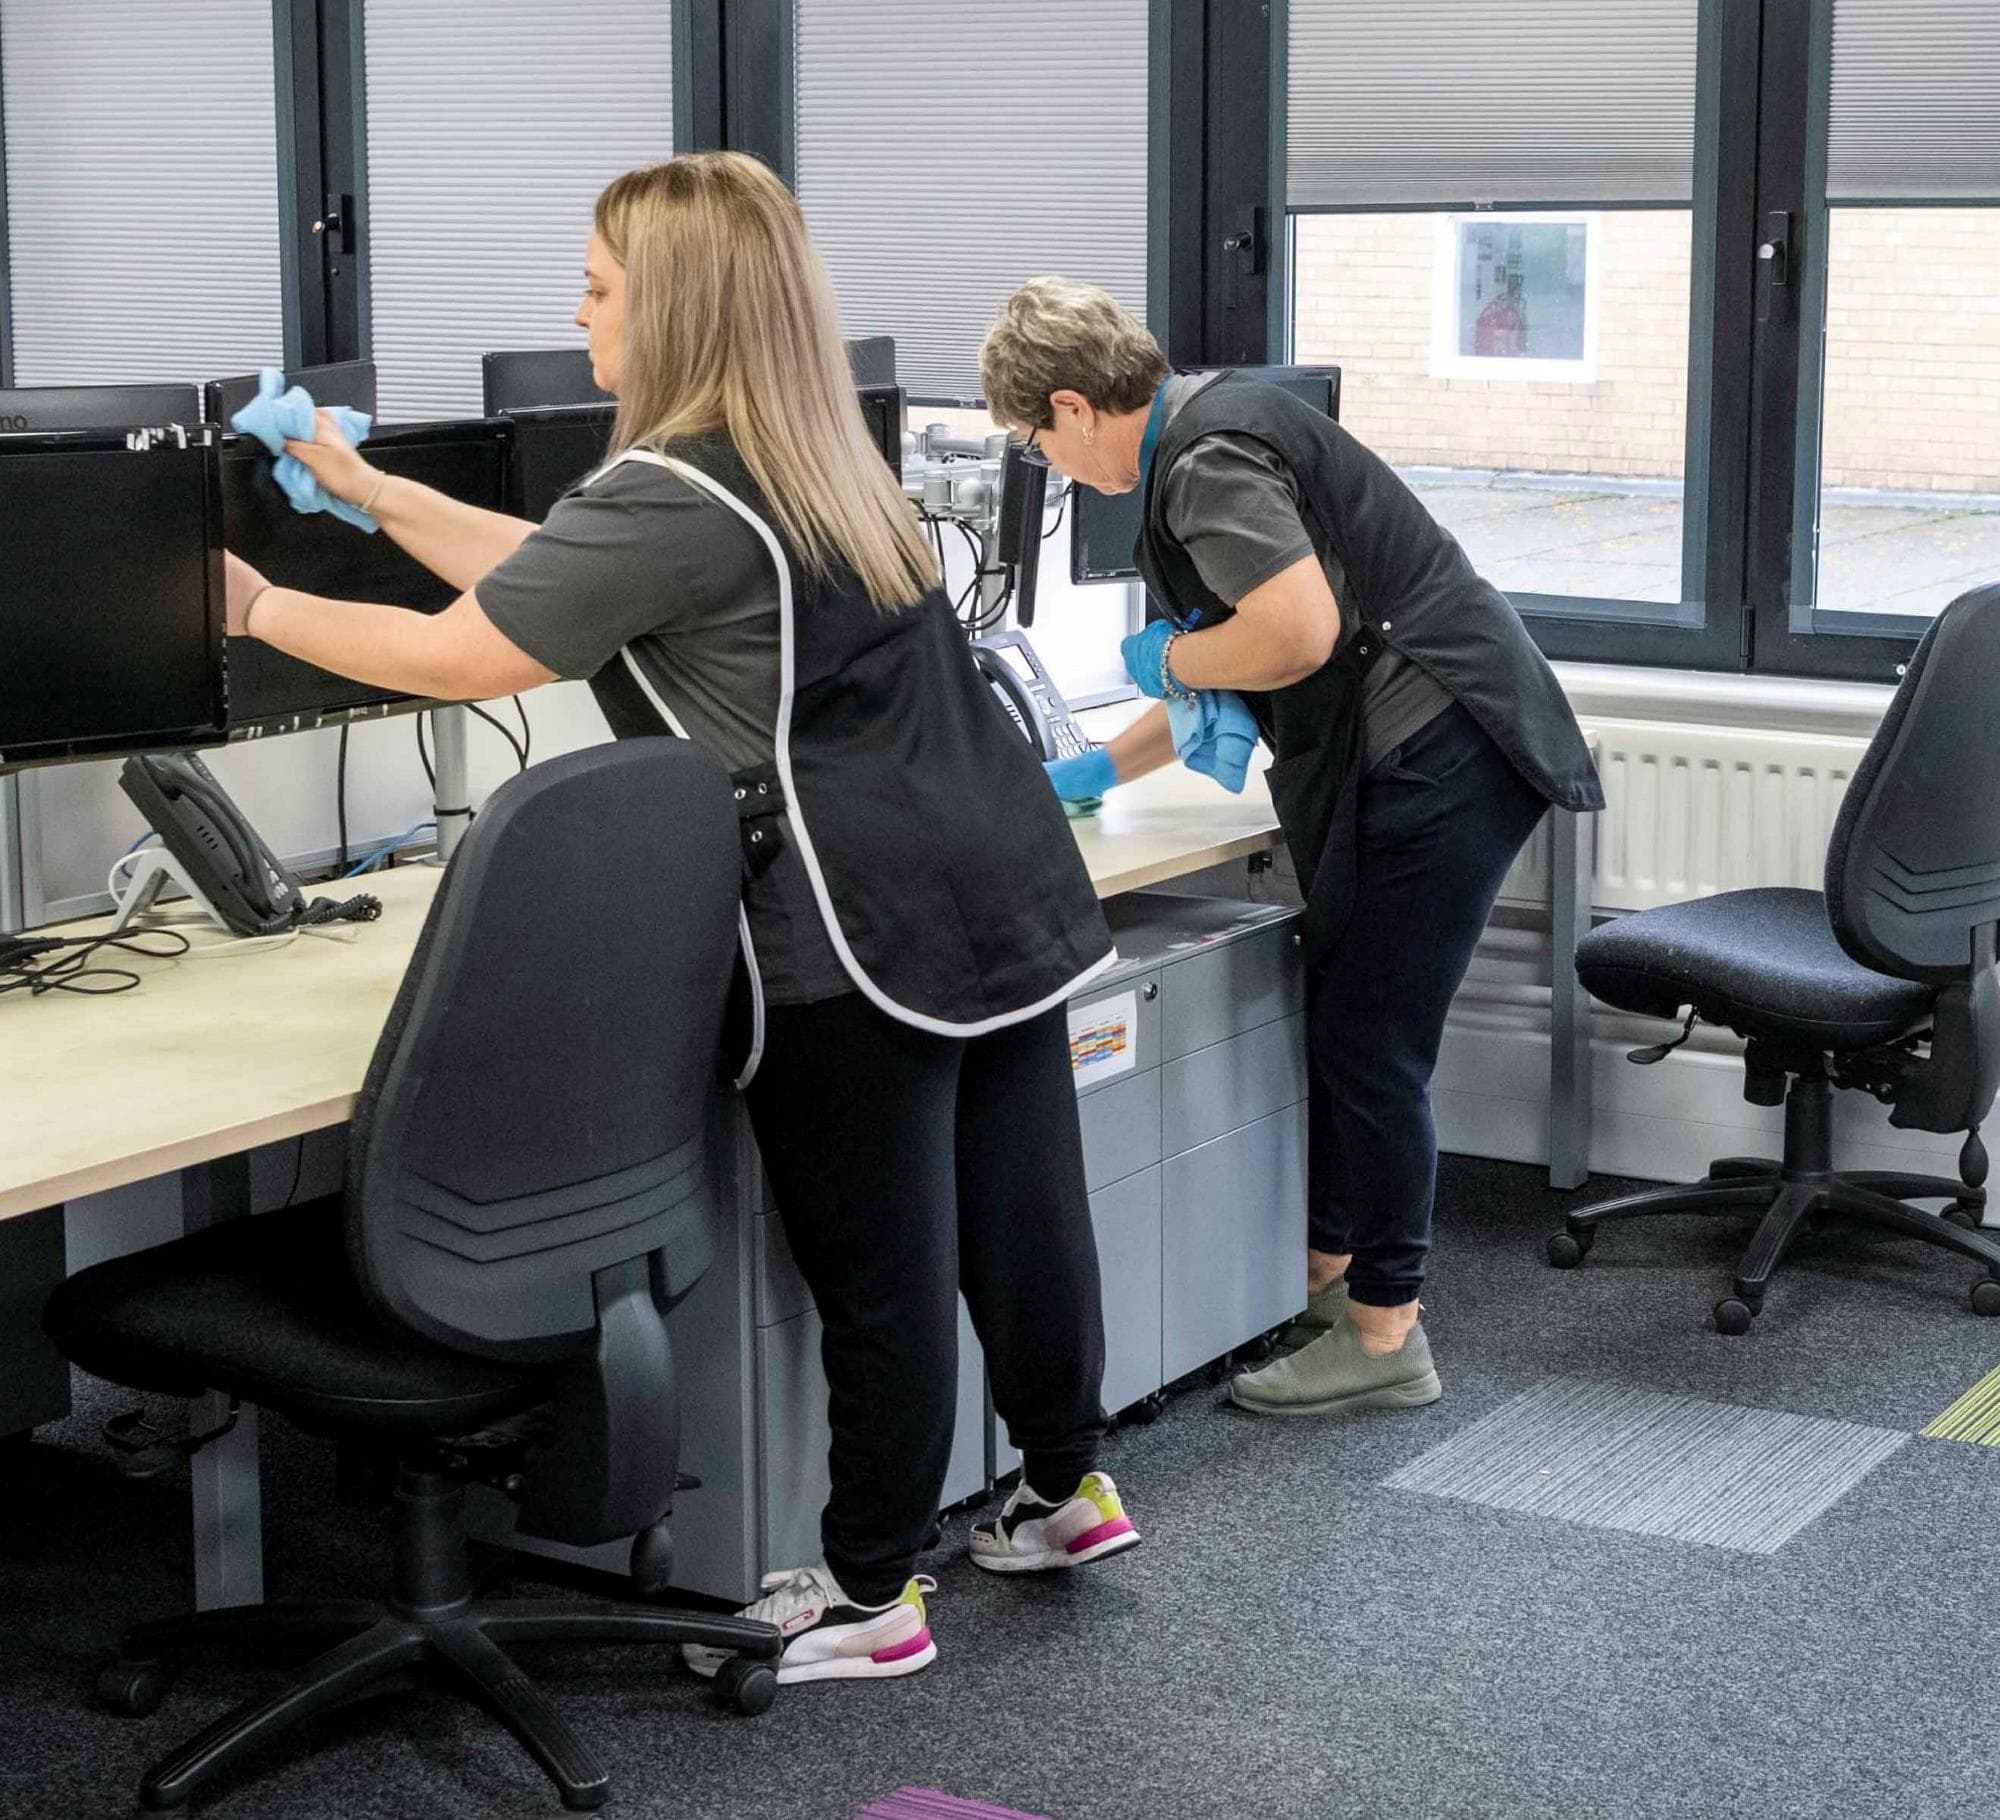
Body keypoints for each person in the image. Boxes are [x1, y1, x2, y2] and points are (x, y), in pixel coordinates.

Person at [222, 156, 1141, 1687]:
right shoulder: (821, 462)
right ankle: (1065, 1488)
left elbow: (472, 657)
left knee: (884, 1265)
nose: (575, 312)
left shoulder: (669, 490)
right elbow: (548, 581)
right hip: (997, 889)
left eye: (595, 287)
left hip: (849, 930)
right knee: (1022, 1211)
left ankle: (869, 1596)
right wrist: (372, 490)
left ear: (679, 310)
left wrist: (245, 606)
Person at [980, 277, 1602, 1419]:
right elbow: (1241, 649)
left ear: (1070, 406)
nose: (1051, 469)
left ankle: (1382, 1337)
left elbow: (1289, 635)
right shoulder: (1215, 421)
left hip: (1434, 756)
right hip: (1448, 738)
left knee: (1371, 1042)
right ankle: (1321, 1277)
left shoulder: (1202, 462)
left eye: (1034, 443)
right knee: (1348, 1016)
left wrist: (1170, 661)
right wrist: (1089, 768)